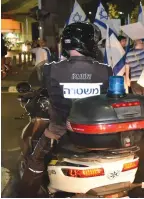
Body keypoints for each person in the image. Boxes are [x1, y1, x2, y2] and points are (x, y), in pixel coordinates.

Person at [18, 22, 113, 197]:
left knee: (35, 159)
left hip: (59, 131)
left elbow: (41, 86)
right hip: (95, 132)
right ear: (89, 43)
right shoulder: (106, 70)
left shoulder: (51, 69)